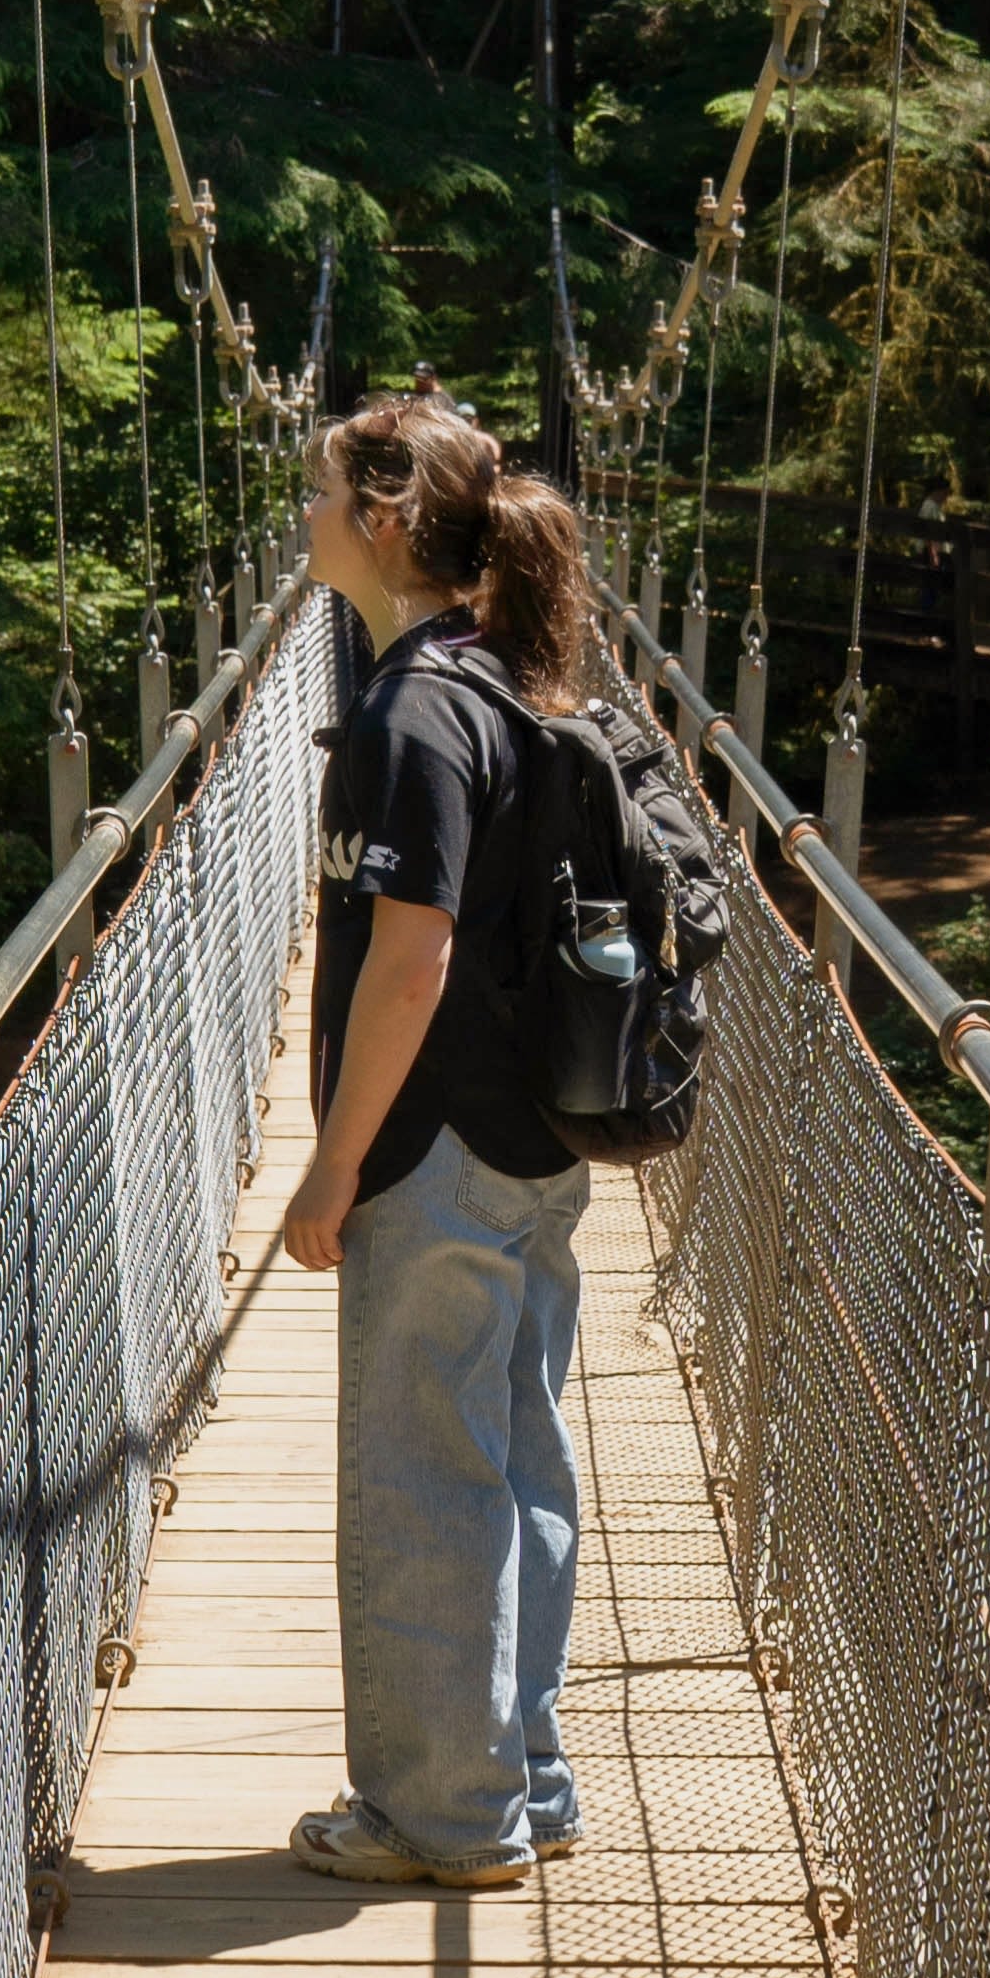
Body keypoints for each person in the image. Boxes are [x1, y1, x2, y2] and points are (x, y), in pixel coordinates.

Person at [282, 392, 595, 1889]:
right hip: (537, 1133)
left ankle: (447, 1815)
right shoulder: (511, 676)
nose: (307, 515)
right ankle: (522, 1776)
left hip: (437, 1142)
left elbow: (409, 959)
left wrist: (336, 1164)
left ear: (387, 519)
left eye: (324, 492)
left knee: (424, 1470)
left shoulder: (415, 706)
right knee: (516, 1453)